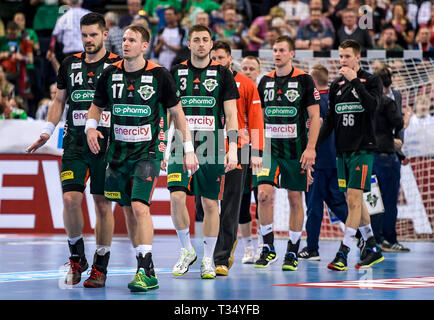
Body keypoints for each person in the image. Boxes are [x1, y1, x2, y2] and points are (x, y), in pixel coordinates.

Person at [86, 24, 197, 292]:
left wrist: (189, 148)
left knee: (139, 207)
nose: (125, 44)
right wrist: (91, 126)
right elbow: (96, 106)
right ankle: (142, 266)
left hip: (148, 152)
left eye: (132, 40)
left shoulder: (160, 75)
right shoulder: (110, 75)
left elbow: (178, 114)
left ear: (144, 45)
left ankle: (147, 268)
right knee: (128, 211)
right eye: (123, 39)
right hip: (118, 153)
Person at [26, 13, 121, 288]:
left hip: (106, 144)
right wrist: (47, 131)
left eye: (93, 34)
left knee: (103, 204)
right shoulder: (69, 64)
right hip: (75, 143)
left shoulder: (118, 65)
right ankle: (77, 257)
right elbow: (59, 100)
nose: (88, 40)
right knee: (70, 199)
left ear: (105, 35)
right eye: (84, 35)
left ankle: (100, 266)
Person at [168, 25, 239, 280]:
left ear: (211, 44)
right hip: (180, 141)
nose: (200, 44)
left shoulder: (223, 74)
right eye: (195, 40)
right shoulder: (175, 72)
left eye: (205, 40)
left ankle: (208, 259)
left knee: (210, 203)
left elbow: (231, 114)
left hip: (212, 141)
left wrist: (233, 148)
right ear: (188, 44)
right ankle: (187, 250)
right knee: (176, 197)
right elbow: (169, 112)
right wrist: (162, 142)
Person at [316, 39, 384, 271]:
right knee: (353, 201)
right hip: (342, 152)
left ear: (357, 57)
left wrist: (355, 81)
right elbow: (330, 122)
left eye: (347, 56)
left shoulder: (371, 80)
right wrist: (312, 147)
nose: (342, 60)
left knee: (354, 200)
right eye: (340, 56)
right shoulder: (336, 86)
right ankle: (373, 247)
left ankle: (343, 252)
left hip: (363, 149)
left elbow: (373, 106)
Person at [254, 35, 321, 271]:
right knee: (262, 195)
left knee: (295, 199)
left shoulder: (304, 79)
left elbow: (315, 117)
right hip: (270, 150)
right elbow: (258, 117)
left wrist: (311, 148)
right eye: (274, 50)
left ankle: (292, 249)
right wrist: (256, 148)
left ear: (292, 53)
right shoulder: (265, 81)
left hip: (296, 151)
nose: (277, 54)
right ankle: (268, 247)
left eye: (282, 50)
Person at [207, 41, 263, 276]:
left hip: (238, 148)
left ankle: (221, 257)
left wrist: (258, 152)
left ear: (230, 59)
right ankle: (208, 253)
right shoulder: (207, 81)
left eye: (221, 57)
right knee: (207, 203)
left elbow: (257, 118)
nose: (217, 62)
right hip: (208, 145)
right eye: (214, 58)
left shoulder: (247, 84)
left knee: (231, 204)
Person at [298, 64, 348, 261]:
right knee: (337, 202)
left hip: (316, 160)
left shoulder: (314, 102)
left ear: (313, 81)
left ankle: (312, 248)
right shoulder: (336, 99)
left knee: (314, 205)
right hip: (335, 160)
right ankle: (364, 238)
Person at [370, 66, 410, 253]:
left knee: (374, 200)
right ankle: (388, 239)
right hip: (385, 154)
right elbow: (399, 123)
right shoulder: (387, 102)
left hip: (369, 155)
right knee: (388, 199)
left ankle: (375, 239)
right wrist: (407, 118)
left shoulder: (366, 101)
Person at [238, 55, 263, 263]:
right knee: (242, 202)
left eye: (251, 68)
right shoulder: (235, 90)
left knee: (262, 197)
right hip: (240, 150)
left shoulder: (265, 92)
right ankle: (247, 248)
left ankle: (264, 244)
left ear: (259, 70)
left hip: (263, 149)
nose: (247, 71)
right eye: (244, 67)